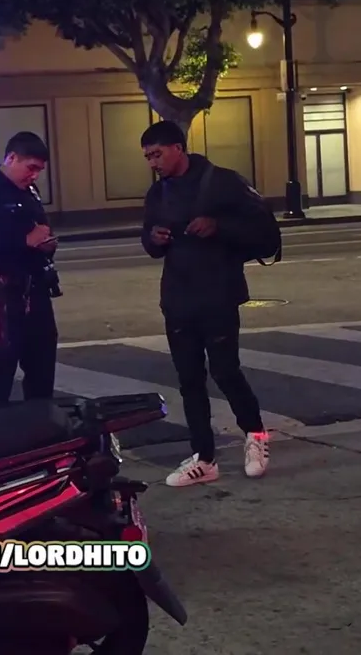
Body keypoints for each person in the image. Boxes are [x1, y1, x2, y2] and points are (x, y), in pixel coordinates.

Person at [139, 120, 270, 486]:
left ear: (178, 148)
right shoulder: (158, 193)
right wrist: (154, 238)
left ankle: (256, 436)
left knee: (226, 371)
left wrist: (219, 226)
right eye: (148, 157)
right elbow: (148, 242)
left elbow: (265, 234)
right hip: (177, 298)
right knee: (189, 379)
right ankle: (204, 458)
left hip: (218, 293)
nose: (153, 163)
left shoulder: (222, 182)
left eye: (157, 154)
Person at [0, 131, 59, 406]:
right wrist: (24, 241)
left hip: (36, 291)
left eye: (39, 170)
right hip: (1, 297)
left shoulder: (30, 192)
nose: (34, 176)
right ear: (11, 158)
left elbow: (39, 228)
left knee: (42, 369)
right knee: (0, 371)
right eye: (31, 168)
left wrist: (45, 244)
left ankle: (41, 424)